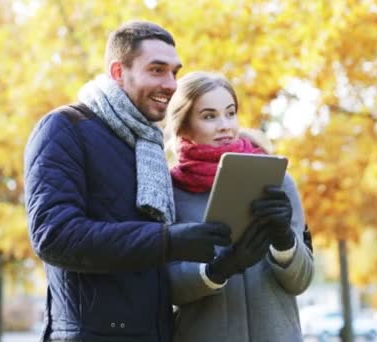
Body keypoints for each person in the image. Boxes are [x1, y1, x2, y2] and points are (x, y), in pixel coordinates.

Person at [23, 23, 231, 342]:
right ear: (118, 72)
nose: (171, 84)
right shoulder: (64, 129)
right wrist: (167, 241)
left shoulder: (148, 144)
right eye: (157, 70)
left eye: (174, 72)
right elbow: (54, 235)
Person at [164, 71, 314, 342]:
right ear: (183, 126)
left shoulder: (278, 182)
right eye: (209, 116)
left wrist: (285, 242)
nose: (225, 125)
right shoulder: (169, 192)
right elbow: (162, 286)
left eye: (230, 113)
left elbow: (300, 281)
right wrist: (217, 270)